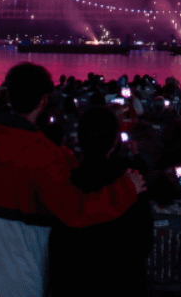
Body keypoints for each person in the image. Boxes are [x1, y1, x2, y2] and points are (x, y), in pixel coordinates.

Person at [0, 62, 145, 297]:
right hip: (24, 278)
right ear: (43, 100)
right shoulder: (46, 155)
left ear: (9, 95)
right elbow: (76, 211)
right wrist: (128, 188)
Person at [50, 106, 152, 296]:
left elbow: (57, 244)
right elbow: (143, 244)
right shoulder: (132, 183)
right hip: (122, 284)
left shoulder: (64, 182)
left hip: (73, 285)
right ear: (115, 142)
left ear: (79, 140)